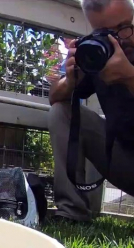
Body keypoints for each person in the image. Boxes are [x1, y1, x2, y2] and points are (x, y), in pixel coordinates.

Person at [47, 0, 134, 222]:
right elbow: (55, 98)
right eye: (107, 33)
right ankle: (72, 212)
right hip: (126, 163)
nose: (121, 40)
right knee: (61, 112)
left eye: (125, 26)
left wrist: (129, 77)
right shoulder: (99, 56)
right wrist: (70, 81)